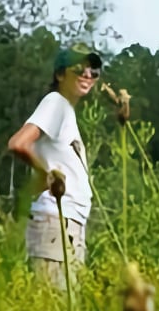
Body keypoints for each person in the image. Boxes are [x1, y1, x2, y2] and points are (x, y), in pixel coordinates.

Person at [8, 43, 99, 289]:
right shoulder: (56, 103)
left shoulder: (64, 111)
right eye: (79, 69)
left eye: (94, 72)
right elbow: (18, 143)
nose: (88, 75)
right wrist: (48, 175)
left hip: (68, 223)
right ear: (60, 75)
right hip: (56, 222)